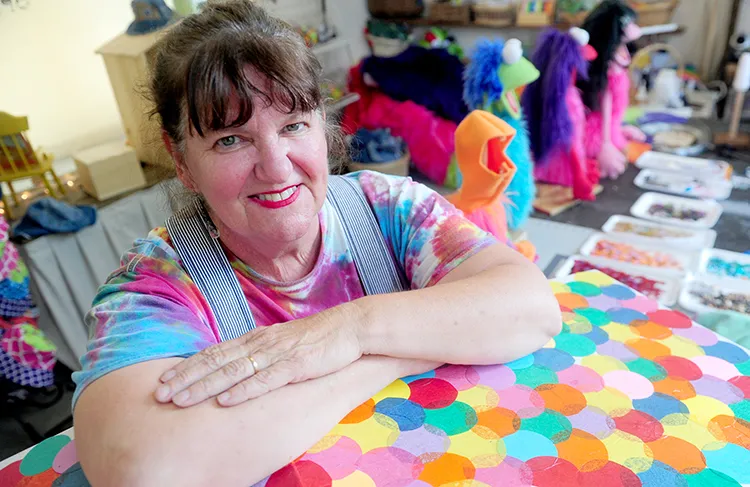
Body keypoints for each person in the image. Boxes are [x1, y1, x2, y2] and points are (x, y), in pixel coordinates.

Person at [72, 1, 562, 485]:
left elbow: (533, 309)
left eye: (293, 125)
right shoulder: (159, 286)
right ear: (182, 161)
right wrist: (393, 356)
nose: (276, 167)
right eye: (230, 140)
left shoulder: (387, 208)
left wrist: (351, 330)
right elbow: (141, 468)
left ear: (323, 128)